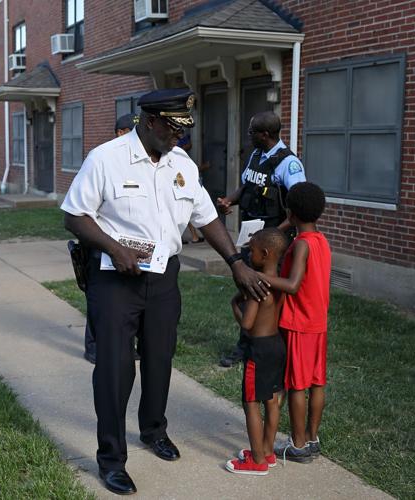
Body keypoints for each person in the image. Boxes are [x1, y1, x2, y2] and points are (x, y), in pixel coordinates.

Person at [61, 88, 269, 495]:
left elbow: (206, 218)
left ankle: (153, 430)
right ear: (150, 121)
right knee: (116, 369)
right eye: (173, 129)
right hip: (115, 279)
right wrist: (113, 248)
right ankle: (111, 459)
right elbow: (74, 215)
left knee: (159, 359)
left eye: (183, 130)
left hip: (162, 279)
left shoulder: (181, 164)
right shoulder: (106, 158)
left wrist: (235, 262)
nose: (179, 137)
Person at [217, 111, 306, 368]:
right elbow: (247, 186)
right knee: (247, 290)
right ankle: (245, 346)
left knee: (266, 297)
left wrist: (273, 235)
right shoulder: (256, 155)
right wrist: (229, 201)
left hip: (274, 246)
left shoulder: (288, 164)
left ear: (265, 135)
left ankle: (267, 348)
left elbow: (299, 207)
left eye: (251, 132)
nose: (248, 136)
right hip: (252, 240)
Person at [263, 182, 331, 463]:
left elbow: (292, 285)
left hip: (298, 325)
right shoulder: (321, 240)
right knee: (316, 383)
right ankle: (313, 438)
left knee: (297, 386)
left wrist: (260, 278)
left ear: (290, 211)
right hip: (318, 324)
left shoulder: (301, 245)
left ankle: (298, 445)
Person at [224, 228, 289, 475]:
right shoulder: (279, 281)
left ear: (264, 253)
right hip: (276, 345)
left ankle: (257, 462)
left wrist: (234, 304)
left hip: (259, 350)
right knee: (272, 400)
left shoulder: (257, 286)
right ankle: (267, 452)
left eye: (251, 250)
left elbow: (248, 324)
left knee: (250, 402)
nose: (249, 255)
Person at [83, 113, 140, 365]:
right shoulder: (102, 160)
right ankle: (93, 346)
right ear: (120, 133)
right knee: (97, 301)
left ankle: (123, 344)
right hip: (98, 244)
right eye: (133, 131)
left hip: (124, 247)